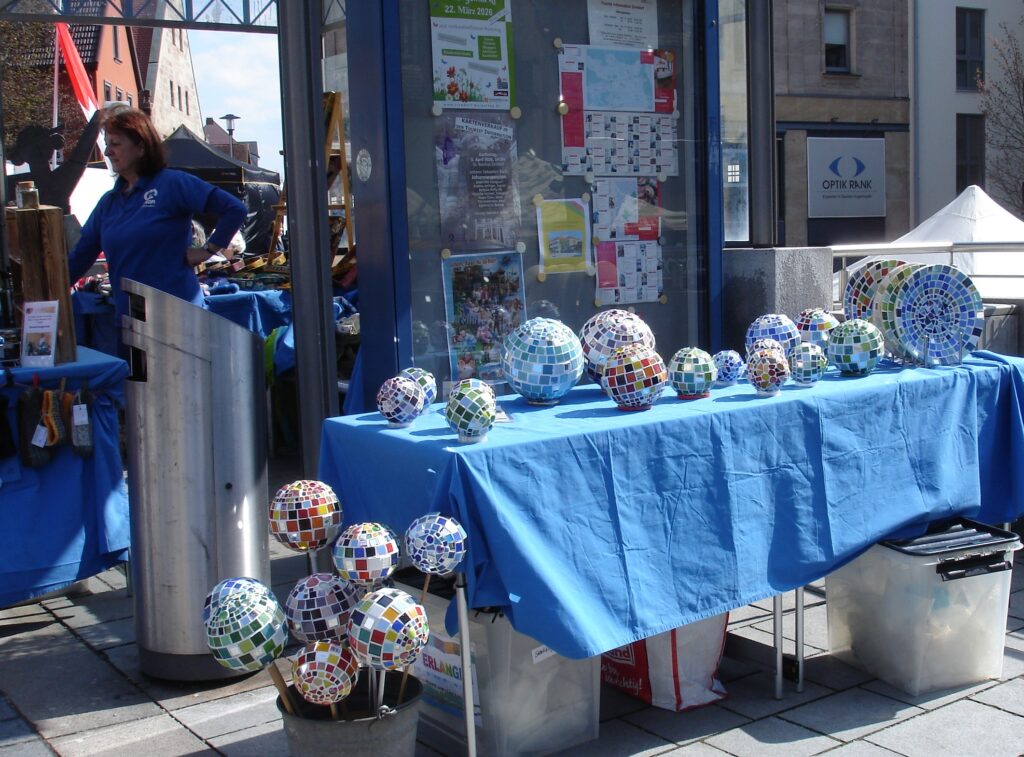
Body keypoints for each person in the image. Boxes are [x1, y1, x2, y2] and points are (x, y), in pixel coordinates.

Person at [67, 107, 247, 328]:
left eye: (115, 144)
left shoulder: (172, 183)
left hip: (178, 317)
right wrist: (47, 293)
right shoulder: (109, 203)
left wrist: (208, 250)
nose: (107, 152)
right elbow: (80, 256)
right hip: (131, 320)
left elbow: (235, 209)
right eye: (107, 144)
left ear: (141, 147)